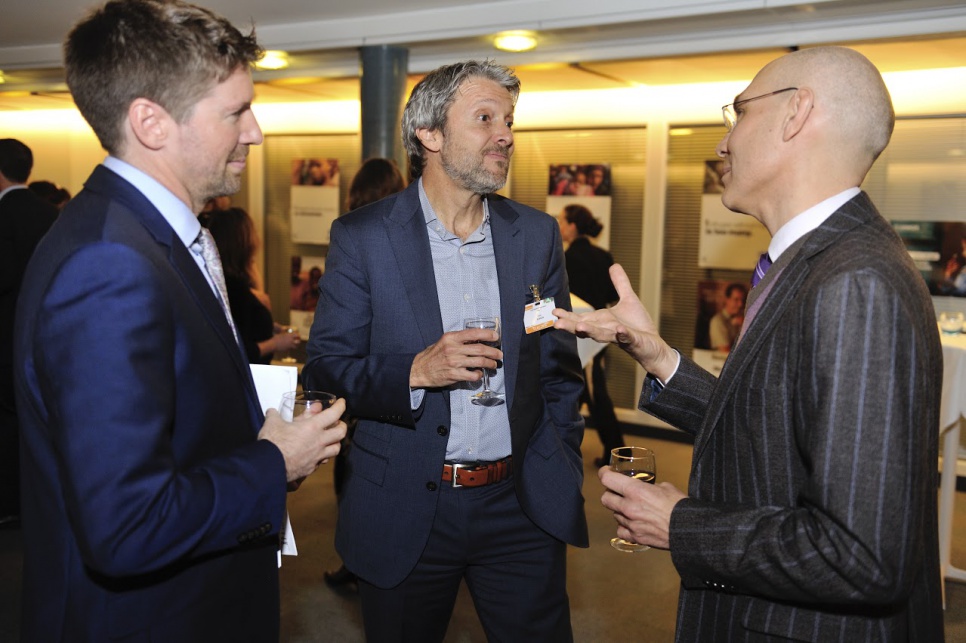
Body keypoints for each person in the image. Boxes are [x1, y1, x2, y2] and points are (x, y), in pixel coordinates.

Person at [553, 46, 943, 642]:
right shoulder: (816, 262)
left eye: (739, 112)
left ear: (796, 114)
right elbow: (778, 436)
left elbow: (863, 557)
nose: (723, 142)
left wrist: (682, 525)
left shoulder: (855, 282)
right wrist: (656, 354)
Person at [13, 2, 347, 641]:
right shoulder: (108, 264)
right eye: (235, 111)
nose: (255, 132)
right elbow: (127, 525)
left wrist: (268, 444)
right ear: (151, 122)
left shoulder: (148, 235)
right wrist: (271, 463)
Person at [303, 60, 588, 642]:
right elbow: (326, 370)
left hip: (520, 506)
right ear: (429, 135)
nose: (505, 134)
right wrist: (414, 370)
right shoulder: (362, 238)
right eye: (484, 118)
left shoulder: (534, 236)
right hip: (407, 506)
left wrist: (561, 461)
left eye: (508, 120)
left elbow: (557, 369)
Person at [323, 156, 406, 590]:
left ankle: (357, 555)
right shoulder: (382, 236)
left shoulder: (352, 230)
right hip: (385, 366)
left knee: (355, 459)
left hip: (364, 368)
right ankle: (361, 555)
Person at [0, 139, 58, 529]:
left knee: (6, 423)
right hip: (46, 336)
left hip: (4, 335)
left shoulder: (2, 216)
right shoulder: (51, 214)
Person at [557, 203, 624, 466]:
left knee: (595, 396)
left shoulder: (565, 258)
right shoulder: (603, 255)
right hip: (600, 335)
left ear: (573, 226)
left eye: (562, 221)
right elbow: (611, 296)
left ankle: (620, 453)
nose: (560, 226)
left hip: (576, 336)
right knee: (585, 391)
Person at [206, 206, 302, 364]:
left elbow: (245, 324)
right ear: (241, 242)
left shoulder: (233, 282)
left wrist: (270, 326)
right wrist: (277, 343)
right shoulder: (233, 288)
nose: (257, 239)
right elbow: (238, 349)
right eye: (253, 233)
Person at [707, 282, 746, 351]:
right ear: (727, 300)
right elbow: (725, 351)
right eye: (736, 300)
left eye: (742, 300)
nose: (740, 304)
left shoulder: (740, 319)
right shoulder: (717, 321)